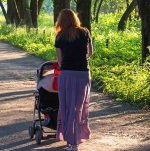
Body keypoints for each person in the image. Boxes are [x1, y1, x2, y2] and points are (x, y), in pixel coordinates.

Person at [54, 9, 93, 151]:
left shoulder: (59, 36)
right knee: (80, 107)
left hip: (67, 74)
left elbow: (59, 61)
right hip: (83, 74)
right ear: (75, 18)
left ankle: (71, 141)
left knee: (67, 106)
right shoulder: (85, 32)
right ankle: (77, 139)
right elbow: (90, 53)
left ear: (60, 21)